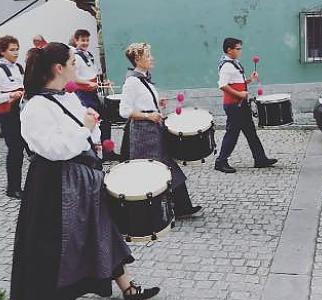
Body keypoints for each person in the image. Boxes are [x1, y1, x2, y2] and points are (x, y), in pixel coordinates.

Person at [10, 43, 159, 300]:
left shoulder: (66, 97)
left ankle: (128, 289)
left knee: (101, 230)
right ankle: (51, 299)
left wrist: (91, 133)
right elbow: (53, 150)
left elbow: (82, 133)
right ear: (58, 68)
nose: (75, 67)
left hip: (83, 179)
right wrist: (85, 130)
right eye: (72, 62)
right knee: (60, 242)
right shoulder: (35, 107)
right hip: (55, 185)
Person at [119, 42, 202, 218]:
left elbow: (144, 104)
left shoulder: (143, 79)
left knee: (165, 168)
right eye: (148, 56)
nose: (152, 58)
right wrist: (149, 116)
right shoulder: (132, 82)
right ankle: (153, 212)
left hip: (154, 130)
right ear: (137, 59)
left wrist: (158, 105)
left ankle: (181, 207)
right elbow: (124, 111)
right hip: (143, 134)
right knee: (150, 173)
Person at [213, 37, 277, 173]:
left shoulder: (234, 63)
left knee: (251, 132)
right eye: (238, 49)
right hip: (234, 105)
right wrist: (240, 94)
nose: (240, 51)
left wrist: (249, 80)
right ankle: (220, 161)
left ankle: (260, 159)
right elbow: (222, 85)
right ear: (229, 50)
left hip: (241, 105)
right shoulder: (227, 66)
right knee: (232, 134)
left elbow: (236, 82)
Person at [0, 36, 26, 199]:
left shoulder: (19, 67)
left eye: (17, 49)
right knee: (15, 151)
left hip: (23, 111)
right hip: (8, 113)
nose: (16, 53)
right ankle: (13, 187)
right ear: (2, 51)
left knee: (28, 149)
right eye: (11, 49)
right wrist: (11, 95)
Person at [71, 29, 116, 160]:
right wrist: (87, 84)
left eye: (87, 40)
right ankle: (91, 155)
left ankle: (108, 152)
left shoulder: (89, 54)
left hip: (93, 93)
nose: (85, 43)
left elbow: (94, 74)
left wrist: (103, 82)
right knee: (91, 123)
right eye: (82, 40)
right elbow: (73, 78)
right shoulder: (74, 57)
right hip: (83, 94)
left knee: (106, 121)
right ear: (76, 41)